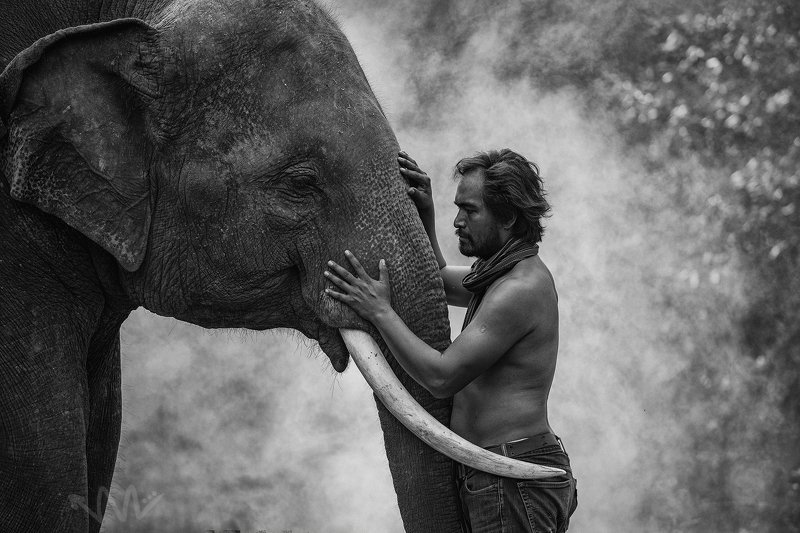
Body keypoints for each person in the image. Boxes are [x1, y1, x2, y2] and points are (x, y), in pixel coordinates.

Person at [324, 148, 577, 532]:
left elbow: (442, 378)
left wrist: (380, 312)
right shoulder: (498, 274)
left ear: (508, 217)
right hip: (499, 472)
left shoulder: (519, 289)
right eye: (457, 208)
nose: (458, 221)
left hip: (511, 476)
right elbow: (438, 279)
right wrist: (425, 213)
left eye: (471, 210)